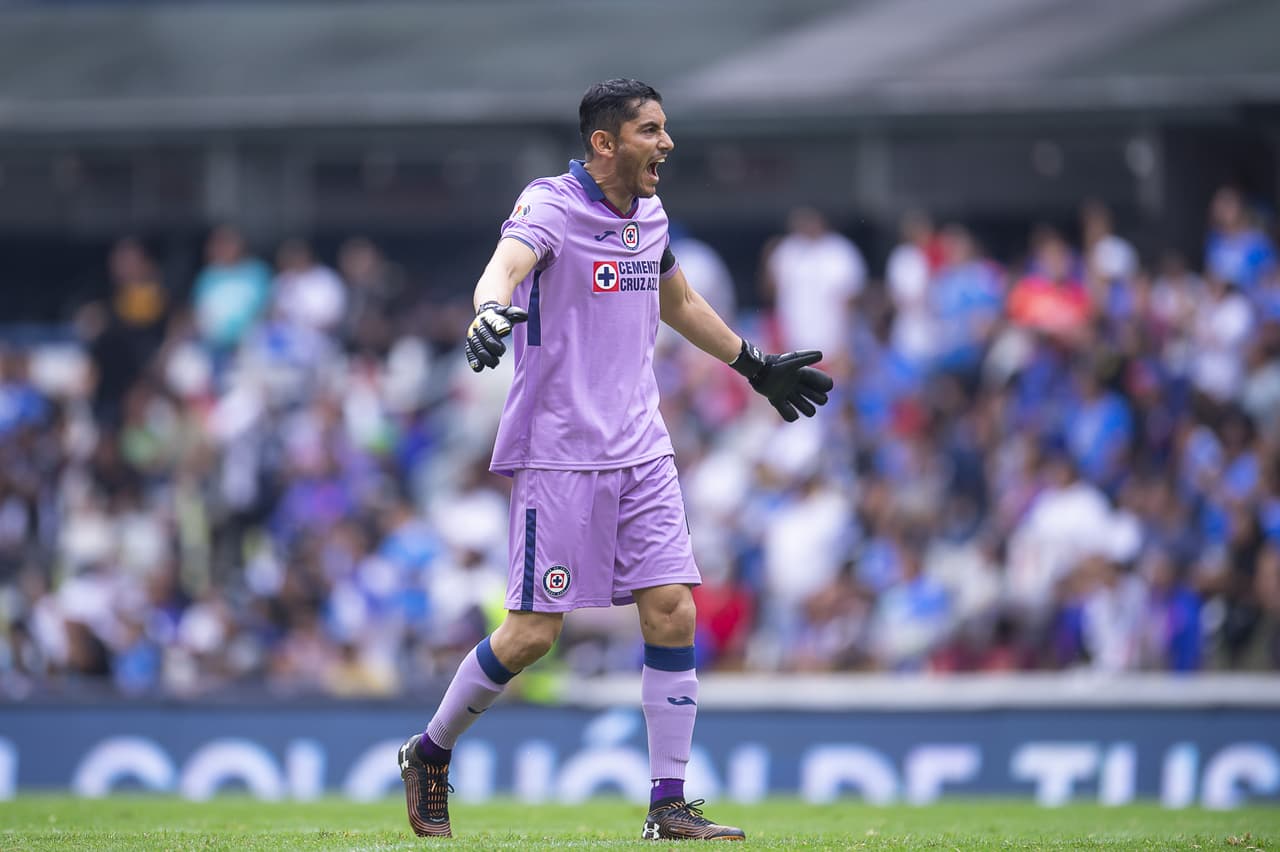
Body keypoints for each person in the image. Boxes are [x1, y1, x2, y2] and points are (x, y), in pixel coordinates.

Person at [396, 79, 832, 841]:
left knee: (673, 611)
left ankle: (668, 807)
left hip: (641, 448)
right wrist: (490, 309)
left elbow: (680, 303)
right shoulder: (551, 206)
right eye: (651, 131)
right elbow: (503, 266)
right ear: (605, 143)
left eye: (665, 130)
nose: (666, 144)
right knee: (534, 634)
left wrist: (755, 364)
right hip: (559, 454)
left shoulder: (652, 215)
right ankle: (430, 753)